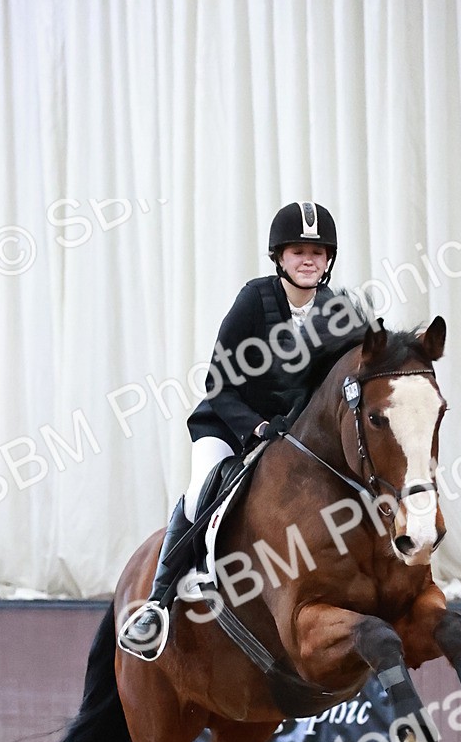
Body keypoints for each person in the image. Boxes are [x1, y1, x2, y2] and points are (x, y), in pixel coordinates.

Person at [118, 200, 343, 661]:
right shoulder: (253, 302)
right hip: (230, 424)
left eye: (317, 252)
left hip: (297, 440)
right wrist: (257, 428)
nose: (308, 260)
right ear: (279, 256)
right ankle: (158, 604)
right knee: (201, 488)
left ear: (328, 261)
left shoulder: (337, 312)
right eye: (298, 250)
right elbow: (217, 386)